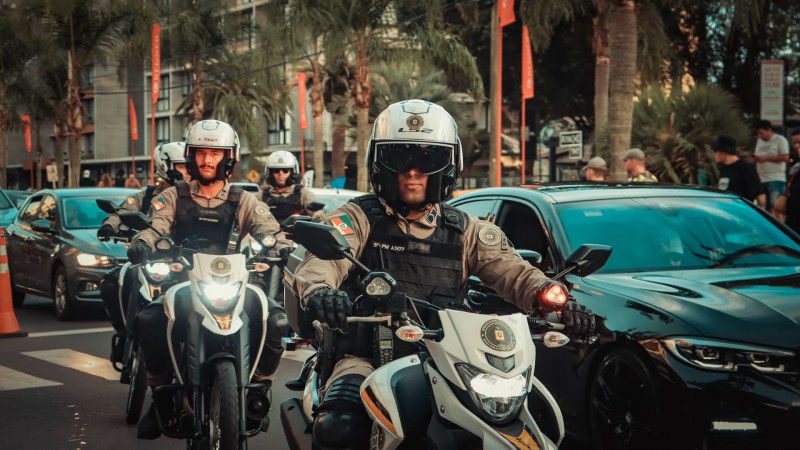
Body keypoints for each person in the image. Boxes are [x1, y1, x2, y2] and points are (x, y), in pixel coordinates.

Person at [291, 99, 596, 450]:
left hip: (451, 359)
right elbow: (320, 264)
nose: (413, 172)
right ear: (380, 163)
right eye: (400, 159)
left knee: (531, 425)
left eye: (428, 160)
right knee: (339, 427)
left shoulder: (466, 230)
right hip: (367, 355)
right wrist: (320, 293)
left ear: (449, 165)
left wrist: (556, 301)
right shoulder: (357, 218)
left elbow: (515, 273)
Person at [126, 120, 289, 439]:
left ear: (230, 157)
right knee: (148, 319)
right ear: (190, 156)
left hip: (236, 285)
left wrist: (282, 245)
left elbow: (270, 229)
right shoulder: (173, 196)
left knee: (278, 320)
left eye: (216, 153)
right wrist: (143, 243)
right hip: (185, 284)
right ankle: (158, 394)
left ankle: (259, 389)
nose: (207, 160)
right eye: (201, 152)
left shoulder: (245, 201)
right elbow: (155, 225)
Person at [97, 141, 191, 368]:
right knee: (113, 280)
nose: (186, 171)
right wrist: (109, 226)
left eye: (188, 166)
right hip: (147, 257)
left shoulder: (193, 195)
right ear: (165, 166)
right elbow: (123, 211)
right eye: (181, 166)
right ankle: (122, 333)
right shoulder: (146, 195)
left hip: (182, 260)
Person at [261, 150, 323, 223]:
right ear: (270, 173)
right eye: (276, 170)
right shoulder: (259, 197)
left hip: (298, 233)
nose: (281, 174)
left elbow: (318, 215)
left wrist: (316, 219)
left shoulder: (304, 194)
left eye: (285, 170)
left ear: (293, 172)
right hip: (268, 233)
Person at [712, 135, 765, 207]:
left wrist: (760, 215)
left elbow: (760, 196)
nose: (714, 154)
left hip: (741, 211)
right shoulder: (724, 169)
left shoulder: (745, 168)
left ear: (724, 151)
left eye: (715, 151)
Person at [753, 119, 790, 216]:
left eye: (762, 133)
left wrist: (766, 158)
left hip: (775, 177)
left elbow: (786, 157)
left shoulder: (780, 140)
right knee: (766, 207)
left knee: (776, 207)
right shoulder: (759, 141)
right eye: (758, 134)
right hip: (761, 178)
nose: (760, 136)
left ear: (769, 130)